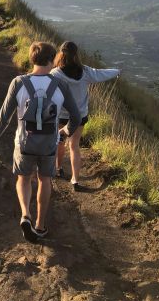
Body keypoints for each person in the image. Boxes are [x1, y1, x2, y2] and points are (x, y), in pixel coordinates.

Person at [0, 42, 81, 242]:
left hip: (24, 143)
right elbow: (76, 117)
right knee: (45, 180)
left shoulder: (19, 82)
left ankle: (25, 215)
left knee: (23, 179)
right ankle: (40, 226)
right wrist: (64, 133)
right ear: (52, 59)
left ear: (32, 58)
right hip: (48, 145)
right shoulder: (60, 85)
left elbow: (4, 117)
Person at [51, 41, 120, 191]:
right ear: (76, 54)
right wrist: (117, 70)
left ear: (60, 53)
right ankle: (75, 179)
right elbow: (102, 74)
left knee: (59, 141)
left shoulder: (55, 74)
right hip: (80, 116)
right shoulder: (85, 71)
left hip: (62, 115)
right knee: (74, 146)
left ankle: (58, 169)